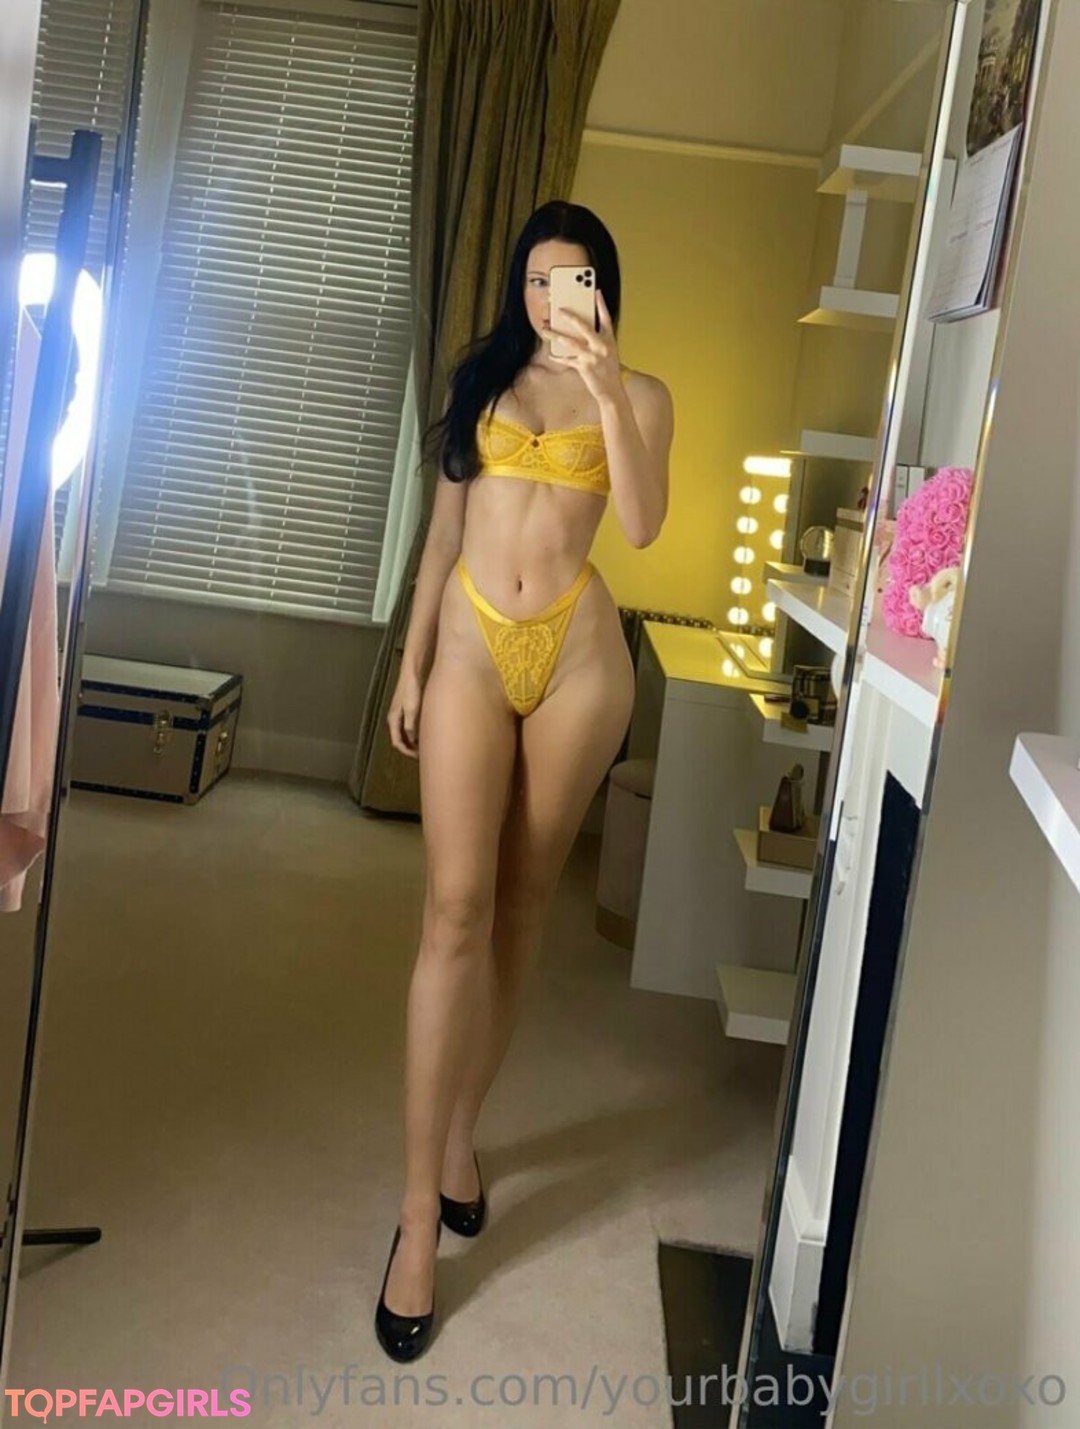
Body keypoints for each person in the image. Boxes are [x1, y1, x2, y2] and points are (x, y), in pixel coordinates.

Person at [374, 200, 674, 1360]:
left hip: (579, 662)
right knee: (452, 910)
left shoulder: (640, 396)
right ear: (521, 288)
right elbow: (443, 537)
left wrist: (606, 389)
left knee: (519, 904)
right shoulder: (482, 380)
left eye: (577, 277)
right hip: (468, 645)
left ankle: (463, 1131)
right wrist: (409, 665)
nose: (557, 297)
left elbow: (640, 526)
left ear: (605, 287)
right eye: (541, 279)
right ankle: (417, 1216)